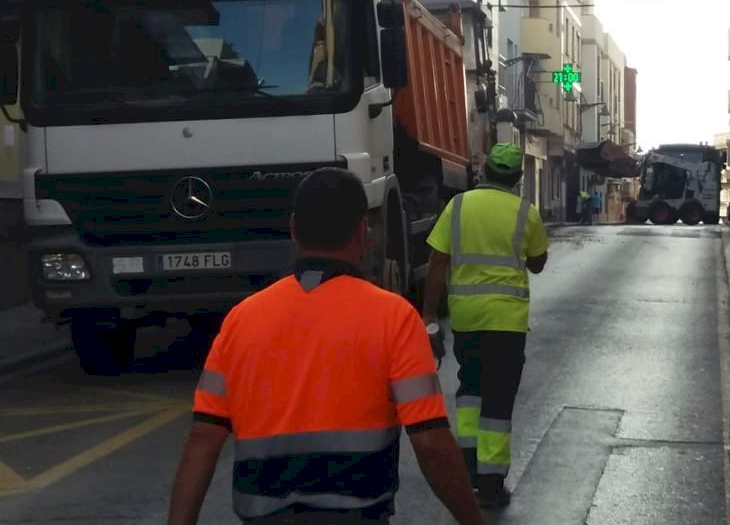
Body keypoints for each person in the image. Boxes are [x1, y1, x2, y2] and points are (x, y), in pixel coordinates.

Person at [167, 168, 485, 525]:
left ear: (293, 228)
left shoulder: (241, 320)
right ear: (363, 232)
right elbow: (429, 443)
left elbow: (203, 437)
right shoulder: (394, 317)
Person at [421, 143, 549, 509]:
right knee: (498, 398)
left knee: (470, 390)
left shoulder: (458, 205)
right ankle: (491, 485)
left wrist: (429, 313)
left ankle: (468, 469)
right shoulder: (526, 212)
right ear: (518, 178)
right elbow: (538, 263)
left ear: (485, 171)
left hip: (467, 319)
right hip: (507, 322)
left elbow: (438, 261)